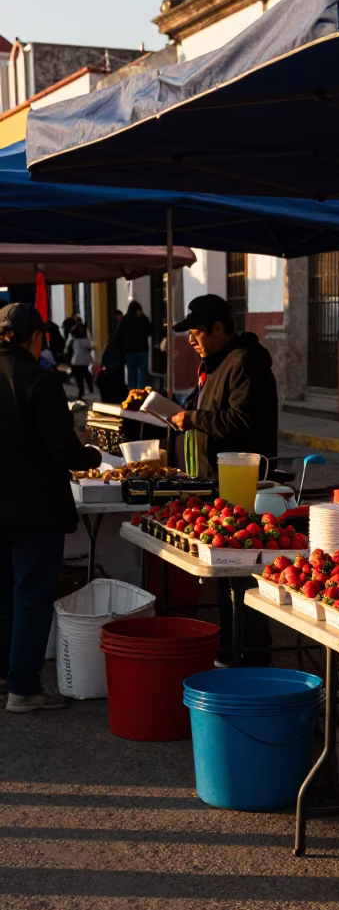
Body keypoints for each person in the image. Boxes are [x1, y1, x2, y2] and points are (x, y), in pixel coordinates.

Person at [0, 302, 101, 712]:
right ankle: (23, 688)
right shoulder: (39, 381)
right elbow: (61, 448)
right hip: (34, 510)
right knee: (30, 597)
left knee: (4, 595)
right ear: (37, 337)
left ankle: (6, 675)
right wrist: (92, 456)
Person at [170, 294, 278, 665]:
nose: (191, 340)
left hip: (241, 488)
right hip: (213, 487)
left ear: (219, 328)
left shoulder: (246, 363)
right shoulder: (214, 364)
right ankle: (231, 648)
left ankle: (249, 654)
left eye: (196, 331)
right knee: (224, 578)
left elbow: (242, 422)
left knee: (242, 576)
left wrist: (194, 420)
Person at [116, 300, 152, 389]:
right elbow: (150, 331)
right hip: (142, 350)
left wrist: (121, 349)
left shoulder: (124, 320)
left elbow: (118, 335)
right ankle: (140, 394)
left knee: (131, 375)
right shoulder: (144, 319)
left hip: (129, 352)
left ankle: (132, 395)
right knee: (142, 375)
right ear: (138, 309)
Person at [64, 320, 95, 397]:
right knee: (87, 375)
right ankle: (91, 388)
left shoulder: (73, 338)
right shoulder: (86, 339)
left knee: (79, 377)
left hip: (76, 361)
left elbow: (67, 347)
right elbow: (90, 347)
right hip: (86, 360)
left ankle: (81, 391)